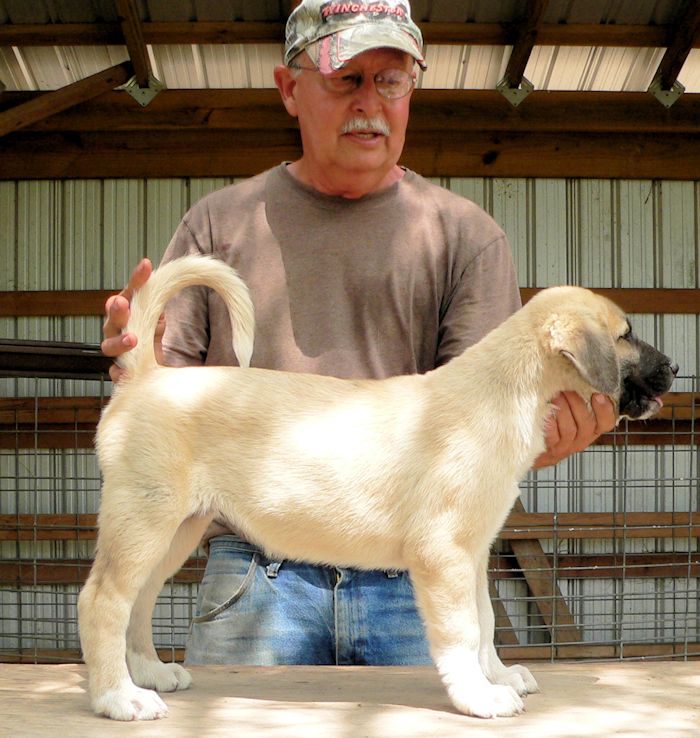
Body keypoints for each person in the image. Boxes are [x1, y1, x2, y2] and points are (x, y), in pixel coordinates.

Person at [102, 0, 616, 666]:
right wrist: (129, 359)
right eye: (347, 78)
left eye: (392, 79)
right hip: (258, 577)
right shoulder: (218, 224)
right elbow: (162, 396)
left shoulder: (466, 237)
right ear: (290, 90)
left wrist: (543, 435)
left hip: (411, 581)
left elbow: (479, 433)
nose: (370, 102)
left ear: (412, 90)